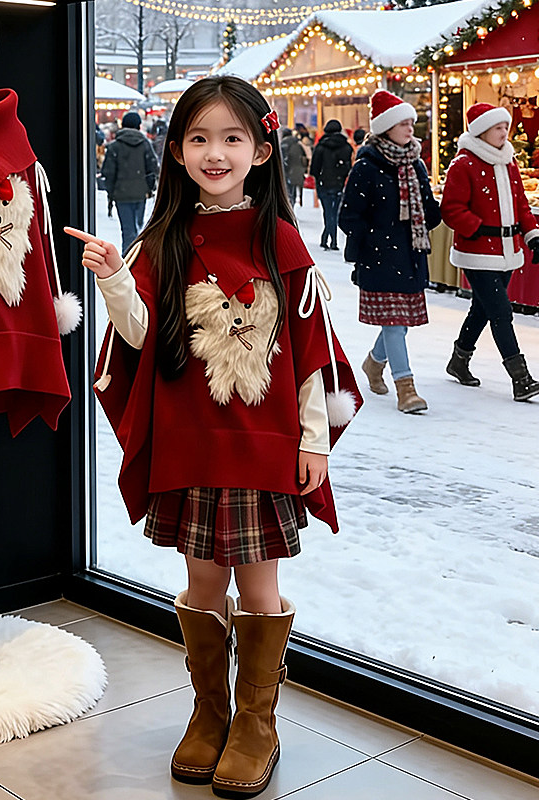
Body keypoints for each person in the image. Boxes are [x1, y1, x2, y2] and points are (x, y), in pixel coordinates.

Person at [65, 76, 360, 798]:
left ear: (261, 150)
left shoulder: (282, 241)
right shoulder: (161, 239)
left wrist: (313, 442)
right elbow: (139, 337)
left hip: (263, 445)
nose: (215, 152)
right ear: (176, 151)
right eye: (199, 138)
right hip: (193, 442)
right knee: (202, 581)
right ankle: (210, 712)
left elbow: (311, 353)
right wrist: (112, 279)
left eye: (231, 138)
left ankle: (258, 722)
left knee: (260, 586)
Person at [339, 90, 441, 413]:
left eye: (412, 123)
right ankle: (406, 389)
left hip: (411, 256)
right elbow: (348, 217)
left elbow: (428, 209)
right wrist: (375, 240)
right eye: (403, 124)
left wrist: (438, 210)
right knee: (395, 324)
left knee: (400, 323)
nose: (410, 129)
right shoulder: (366, 167)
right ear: (385, 128)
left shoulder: (417, 166)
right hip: (380, 259)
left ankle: (373, 363)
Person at [440, 102, 539, 401]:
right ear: (482, 131)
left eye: (504, 127)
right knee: (500, 311)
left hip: (508, 250)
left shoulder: (509, 163)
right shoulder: (463, 164)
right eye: (498, 128)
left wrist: (532, 235)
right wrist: (478, 227)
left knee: (482, 309)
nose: (504, 133)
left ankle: (459, 360)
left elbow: (521, 203)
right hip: (477, 252)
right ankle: (520, 378)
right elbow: (451, 209)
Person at [101, 111, 159, 254]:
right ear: (139, 126)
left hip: (121, 195)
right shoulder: (145, 144)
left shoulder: (114, 147)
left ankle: (128, 260)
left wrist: (111, 193)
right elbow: (153, 168)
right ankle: (136, 259)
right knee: (138, 228)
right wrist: (149, 187)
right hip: (140, 194)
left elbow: (108, 173)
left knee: (127, 230)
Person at [310, 119, 353, 250]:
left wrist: (320, 177)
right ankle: (331, 240)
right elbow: (348, 167)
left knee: (327, 211)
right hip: (338, 183)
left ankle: (328, 239)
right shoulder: (346, 147)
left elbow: (314, 168)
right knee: (333, 212)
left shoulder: (321, 146)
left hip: (324, 183)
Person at [279, 126, 308, 206]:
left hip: (287, 171)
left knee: (288, 191)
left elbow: (282, 159)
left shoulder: (283, 145)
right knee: (294, 190)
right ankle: (293, 204)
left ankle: (289, 207)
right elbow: (304, 157)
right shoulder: (298, 143)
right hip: (298, 170)